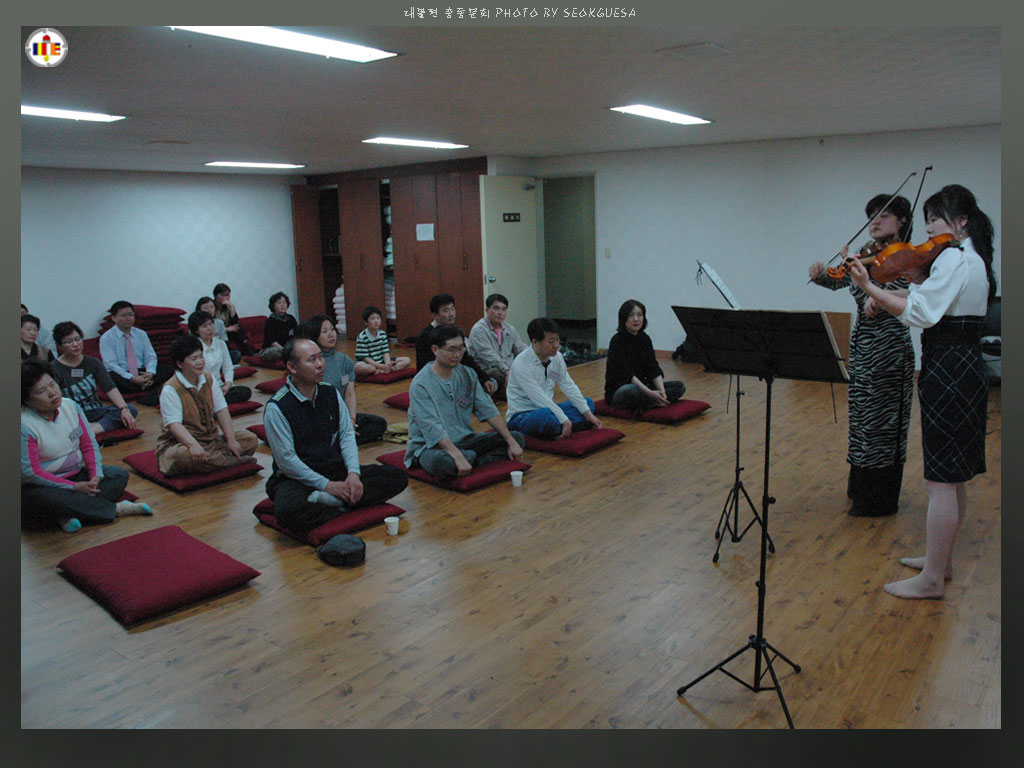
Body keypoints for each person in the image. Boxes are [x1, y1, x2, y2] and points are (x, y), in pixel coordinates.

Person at [847, 184, 995, 599]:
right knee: (955, 475)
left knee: (941, 481)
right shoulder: (973, 257)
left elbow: (923, 313)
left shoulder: (952, 256)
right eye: (927, 218)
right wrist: (902, 287)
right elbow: (933, 299)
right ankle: (940, 562)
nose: (930, 227)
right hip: (963, 364)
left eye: (937, 217)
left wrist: (871, 287)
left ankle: (931, 579)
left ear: (961, 221)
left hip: (948, 367)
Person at [809, 194, 917, 517]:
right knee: (862, 419)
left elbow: (916, 293)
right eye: (872, 215)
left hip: (890, 348)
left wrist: (880, 296)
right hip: (863, 347)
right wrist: (818, 274)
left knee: (883, 423)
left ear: (901, 221)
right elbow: (836, 280)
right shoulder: (865, 257)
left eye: (883, 215)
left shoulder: (907, 258)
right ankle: (860, 488)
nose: (875, 220)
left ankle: (879, 498)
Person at [262, 338, 408, 533]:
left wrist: (353, 474)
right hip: (298, 479)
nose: (320, 364)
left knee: (397, 477)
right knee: (288, 511)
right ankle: (339, 502)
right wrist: (327, 486)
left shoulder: (329, 392)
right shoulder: (277, 407)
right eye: (311, 360)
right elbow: (287, 461)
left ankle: (332, 503)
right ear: (292, 367)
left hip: (334, 469)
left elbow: (347, 435)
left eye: (320, 357)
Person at [21, 360, 152, 533]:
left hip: (77, 475)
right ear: (27, 400)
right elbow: (32, 473)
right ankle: (116, 509)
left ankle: (67, 512)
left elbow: (89, 445)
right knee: (40, 499)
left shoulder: (70, 406)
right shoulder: (24, 424)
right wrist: (73, 488)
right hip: (44, 485)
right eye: (41, 391)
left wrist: (95, 475)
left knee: (117, 475)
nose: (52, 393)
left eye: (52, 385)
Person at [405, 324, 525, 479]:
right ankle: (472, 459)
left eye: (461, 349)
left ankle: (471, 459)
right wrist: (456, 455)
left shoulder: (467, 374)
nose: (458, 354)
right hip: (431, 447)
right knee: (441, 463)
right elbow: (431, 426)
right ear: (435, 350)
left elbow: (488, 409)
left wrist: (510, 440)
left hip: (465, 440)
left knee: (516, 438)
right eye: (452, 349)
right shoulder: (421, 384)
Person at [155, 334, 259, 476]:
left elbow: (222, 410)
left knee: (250, 440)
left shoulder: (209, 379)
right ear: (180, 364)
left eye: (201, 356)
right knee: (182, 456)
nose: (200, 362)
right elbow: (174, 425)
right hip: (181, 444)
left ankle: (216, 460)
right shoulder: (170, 388)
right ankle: (228, 461)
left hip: (210, 440)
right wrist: (193, 445)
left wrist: (231, 440)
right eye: (194, 359)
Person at [295, 314, 387, 445]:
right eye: (325, 332)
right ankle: (338, 439)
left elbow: (349, 394)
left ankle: (339, 439)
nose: (331, 334)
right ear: (314, 335)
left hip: (340, 414)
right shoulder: (311, 364)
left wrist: (351, 420)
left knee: (378, 424)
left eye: (332, 330)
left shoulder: (345, 361)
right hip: (318, 417)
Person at [505, 318, 603, 439]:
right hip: (524, 413)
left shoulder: (556, 358)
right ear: (535, 342)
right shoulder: (521, 364)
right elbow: (538, 397)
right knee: (546, 417)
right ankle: (567, 426)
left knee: (587, 403)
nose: (556, 345)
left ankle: (558, 429)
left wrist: (588, 414)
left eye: (557, 340)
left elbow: (566, 384)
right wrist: (565, 420)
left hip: (549, 407)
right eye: (551, 341)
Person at [49, 321, 139, 435]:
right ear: (59, 346)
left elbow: (109, 387)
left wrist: (123, 409)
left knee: (130, 409)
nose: (75, 344)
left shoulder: (93, 362)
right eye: (68, 342)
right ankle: (95, 427)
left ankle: (91, 430)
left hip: (95, 411)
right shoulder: (53, 368)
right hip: (71, 415)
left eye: (77, 339)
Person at [604, 299, 686, 411]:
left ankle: (655, 401)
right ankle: (652, 401)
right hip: (621, 390)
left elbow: (653, 368)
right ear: (623, 319)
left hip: (645, 387)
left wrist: (661, 392)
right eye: (631, 315)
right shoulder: (617, 341)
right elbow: (627, 376)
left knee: (679, 386)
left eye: (639, 315)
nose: (636, 319)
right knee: (631, 390)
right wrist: (651, 394)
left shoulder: (645, 338)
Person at [415, 292, 497, 394]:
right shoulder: (426, 336)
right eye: (446, 310)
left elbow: (467, 359)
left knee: (492, 382)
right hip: (438, 380)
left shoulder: (455, 332)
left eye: (453, 309)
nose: (451, 314)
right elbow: (427, 367)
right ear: (435, 314)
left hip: (456, 373)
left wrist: (484, 378)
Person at [98, 300, 174, 406]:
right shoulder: (106, 338)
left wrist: (150, 373)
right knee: (110, 378)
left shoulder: (141, 334)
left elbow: (150, 356)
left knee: (169, 370)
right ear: (113, 318)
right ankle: (149, 389)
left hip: (141, 371)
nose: (128, 318)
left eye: (130, 314)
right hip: (122, 373)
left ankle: (146, 388)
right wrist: (132, 378)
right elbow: (111, 364)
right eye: (123, 315)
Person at [467, 293, 526, 397]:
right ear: (487, 310)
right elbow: (489, 357)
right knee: (495, 374)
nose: (500, 313)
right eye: (496, 308)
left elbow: (521, 350)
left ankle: (515, 392)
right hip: (488, 369)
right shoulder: (479, 330)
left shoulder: (510, 329)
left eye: (503, 309)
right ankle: (510, 394)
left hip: (508, 370)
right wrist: (507, 371)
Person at [187, 311, 252, 404]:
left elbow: (228, 367)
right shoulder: (193, 347)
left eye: (210, 324)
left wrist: (228, 384)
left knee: (245, 392)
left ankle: (214, 402)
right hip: (203, 388)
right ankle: (214, 402)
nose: (210, 329)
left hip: (220, 385)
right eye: (204, 326)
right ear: (196, 330)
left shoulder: (220, 343)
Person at [354, 305, 410, 376]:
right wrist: (379, 366)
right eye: (373, 319)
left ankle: (390, 369)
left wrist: (387, 364)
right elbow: (365, 358)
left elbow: (385, 352)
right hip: (368, 363)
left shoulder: (382, 334)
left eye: (378, 318)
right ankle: (376, 370)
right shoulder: (362, 337)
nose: (376, 321)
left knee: (407, 360)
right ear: (366, 322)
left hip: (381, 361)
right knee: (360, 367)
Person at [212, 283, 255, 356]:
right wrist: (227, 329)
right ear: (216, 296)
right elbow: (213, 326)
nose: (226, 298)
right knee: (237, 329)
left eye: (228, 295)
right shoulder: (212, 307)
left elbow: (235, 321)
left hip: (229, 332)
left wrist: (232, 307)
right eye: (222, 295)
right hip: (217, 332)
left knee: (238, 327)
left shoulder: (227, 307)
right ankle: (248, 350)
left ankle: (248, 350)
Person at [196, 296, 240, 364]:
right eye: (206, 308)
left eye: (211, 307)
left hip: (218, 352)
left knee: (236, 354)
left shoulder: (219, 323)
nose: (209, 310)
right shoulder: (195, 324)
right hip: (203, 354)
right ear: (199, 310)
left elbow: (223, 342)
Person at [259, 291, 298, 364]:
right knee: (277, 352)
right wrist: (285, 350)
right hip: (273, 349)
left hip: (288, 348)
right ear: (273, 306)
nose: (282, 305)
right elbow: (272, 341)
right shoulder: (270, 321)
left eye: (284, 302)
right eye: (279, 303)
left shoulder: (291, 318)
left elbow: (296, 335)